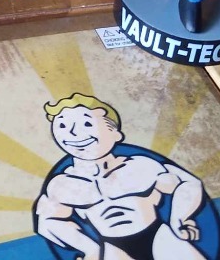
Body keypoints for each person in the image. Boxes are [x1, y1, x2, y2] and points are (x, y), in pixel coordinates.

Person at [34, 93, 206, 260]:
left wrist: (179, 218)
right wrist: (90, 249)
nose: (73, 133)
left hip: (160, 237)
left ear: (115, 134)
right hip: (112, 249)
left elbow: (187, 183)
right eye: (62, 126)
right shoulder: (62, 184)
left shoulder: (140, 166)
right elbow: (47, 221)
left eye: (87, 123)